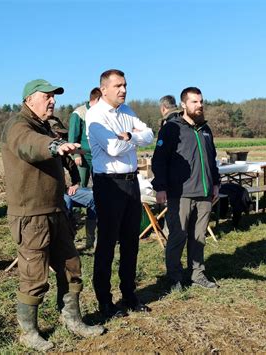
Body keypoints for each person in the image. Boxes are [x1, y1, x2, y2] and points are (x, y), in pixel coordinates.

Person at [1, 79, 104, 351]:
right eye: (46, 97)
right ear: (29, 100)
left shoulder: (47, 126)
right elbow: (29, 144)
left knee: (71, 267)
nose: (52, 101)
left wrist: (70, 160)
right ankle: (29, 332)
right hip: (31, 215)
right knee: (34, 276)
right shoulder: (19, 126)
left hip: (57, 210)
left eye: (53, 98)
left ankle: (72, 319)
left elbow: (62, 150)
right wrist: (52, 147)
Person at [86, 69, 154, 318]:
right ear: (104, 89)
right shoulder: (95, 116)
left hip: (131, 182)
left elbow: (149, 134)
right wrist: (133, 139)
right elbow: (113, 148)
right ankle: (104, 301)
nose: (123, 90)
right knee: (106, 244)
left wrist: (129, 136)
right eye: (118, 86)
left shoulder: (127, 111)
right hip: (109, 185)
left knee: (130, 242)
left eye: (125, 85)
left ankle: (129, 295)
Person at [151, 87, 220, 290]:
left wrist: (216, 182)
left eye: (200, 102)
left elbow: (212, 159)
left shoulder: (205, 129)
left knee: (199, 237)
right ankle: (174, 276)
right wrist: (160, 187)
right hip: (181, 193)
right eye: (194, 102)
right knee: (178, 237)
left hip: (205, 193)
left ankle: (197, 274)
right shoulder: (172, 128)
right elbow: (159, 160)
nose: (199, 105)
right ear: (183, 105)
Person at [49, 118, 97, 249]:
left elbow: (72, 167)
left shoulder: (61, 152)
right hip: (48, 195)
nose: (60, 137)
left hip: (63, 191)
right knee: (67, 203)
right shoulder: (41, 151)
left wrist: (76, 183)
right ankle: (66, 242)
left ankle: (91, 241)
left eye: (61, 135)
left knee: (94, 198)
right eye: (56, 134)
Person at [68, 87, 102, 187]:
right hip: (83, 155)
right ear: (97, 99)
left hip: (98, 156)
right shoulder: (79, 113)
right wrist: (76, 154)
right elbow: (72, 138)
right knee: (81, 184)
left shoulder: (102, 113)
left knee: (101, 185)